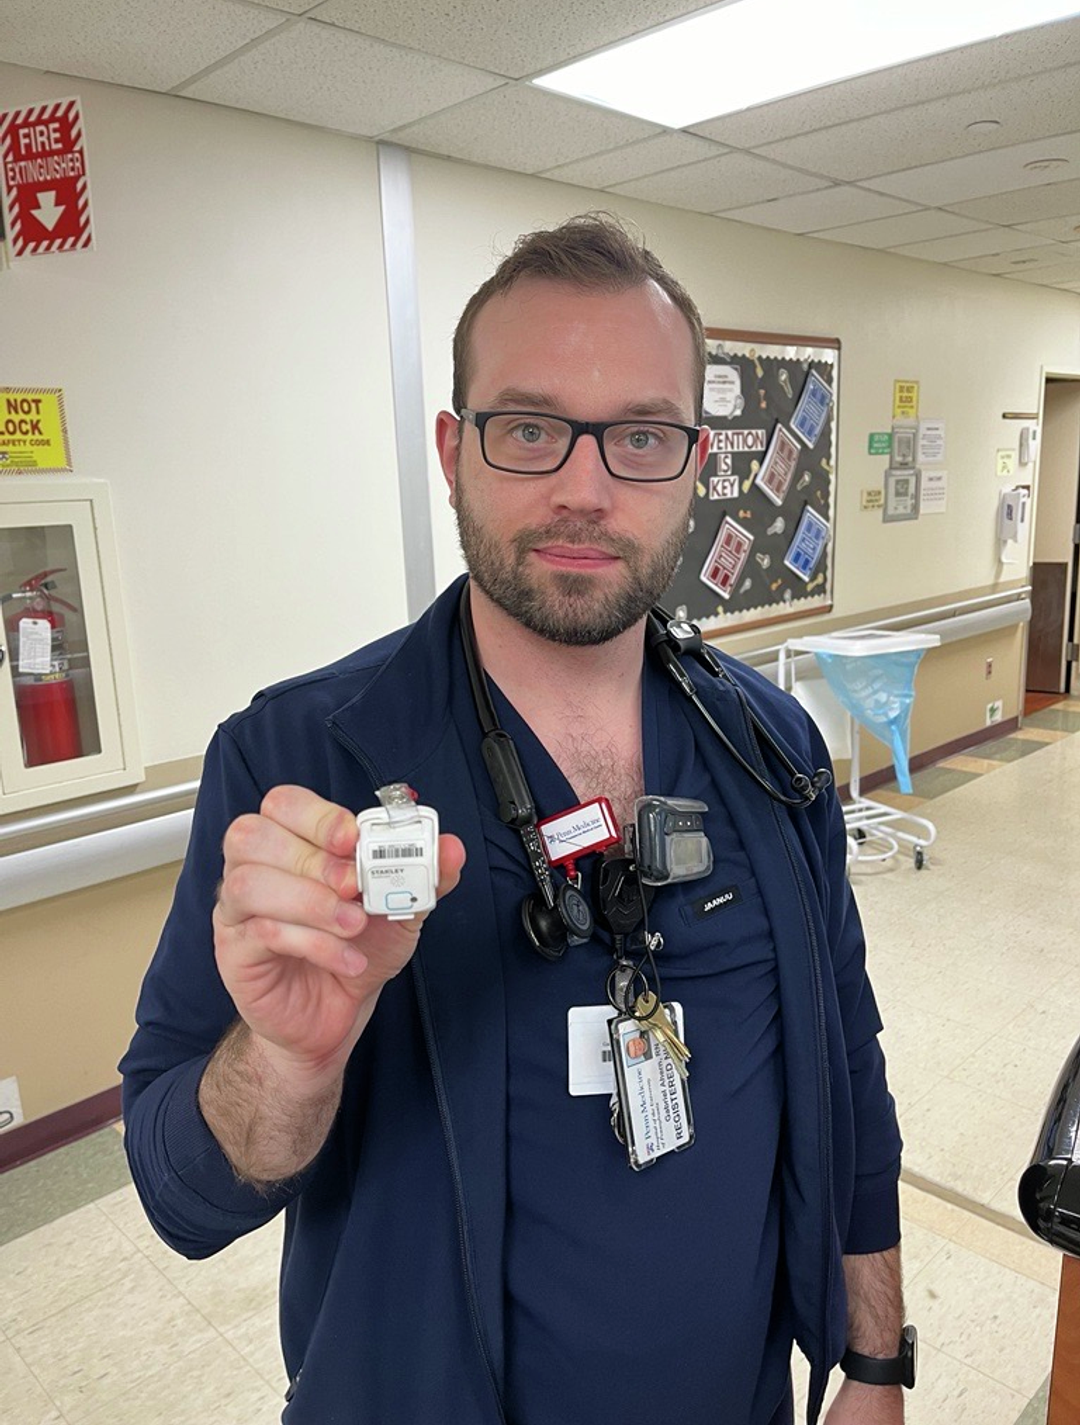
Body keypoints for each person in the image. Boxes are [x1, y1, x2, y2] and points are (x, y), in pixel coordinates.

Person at [121, 213, 907, 1425]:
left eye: (640, 436)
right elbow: (183, 1197)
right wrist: (289, 1061)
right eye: (531, 429)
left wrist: (875, 1361)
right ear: (454, 451)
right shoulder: (296, 766)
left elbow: (847, 1067)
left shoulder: (772, 752)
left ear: (694, 464)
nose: (584, 490)